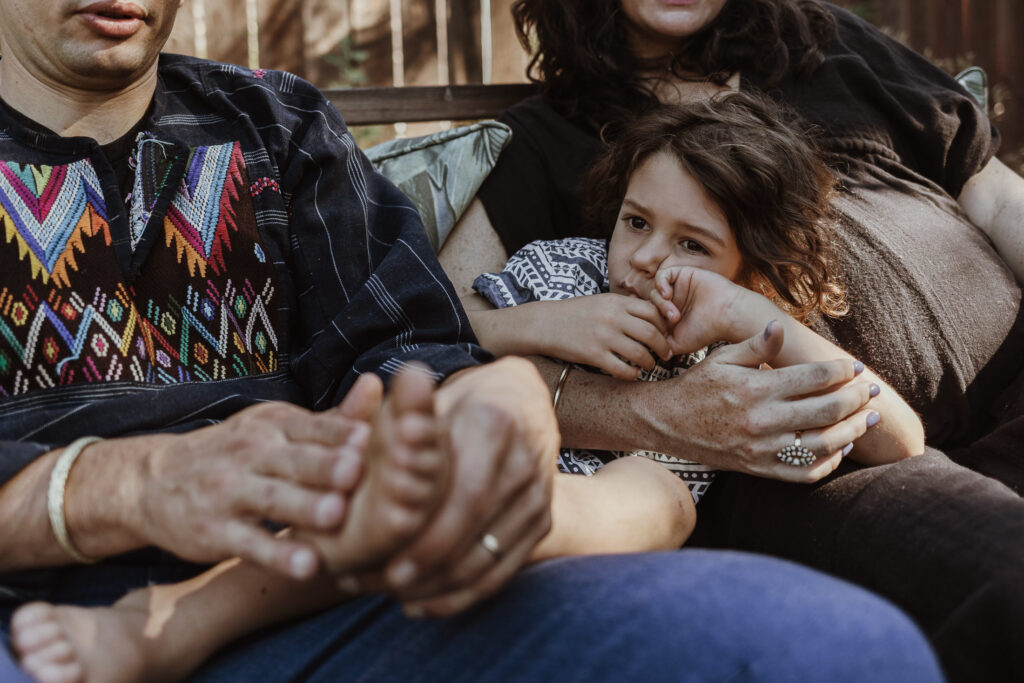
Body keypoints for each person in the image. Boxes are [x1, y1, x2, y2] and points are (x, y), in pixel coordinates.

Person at [0, 1, 946, 682]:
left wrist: (502, 404)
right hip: (33, 613)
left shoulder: (277, 127)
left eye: (694, 247)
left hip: (341, 587)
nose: (656, 264)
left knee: (843, 650)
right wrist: (111, 488)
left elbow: (418, 347)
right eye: (637, 226)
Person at [438, 0, 1024, 680]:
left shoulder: (828, 44)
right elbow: (440, 336)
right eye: (637, 224)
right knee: (1008, 573)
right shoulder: (550, 138)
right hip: (816, 454)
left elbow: (997, 197)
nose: (654, 253)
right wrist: (635, 399)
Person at [473, 94, 922, 517]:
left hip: (601, 528)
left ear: (754, 273)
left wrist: (742, 313)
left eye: (692, 244)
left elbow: (900, 442)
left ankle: (538, 524)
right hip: (486, 464)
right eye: (636, 222)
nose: (645, 256)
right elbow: (438, 334)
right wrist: (541, 323)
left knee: (659, 492)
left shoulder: (748, 358)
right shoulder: (565, 273)